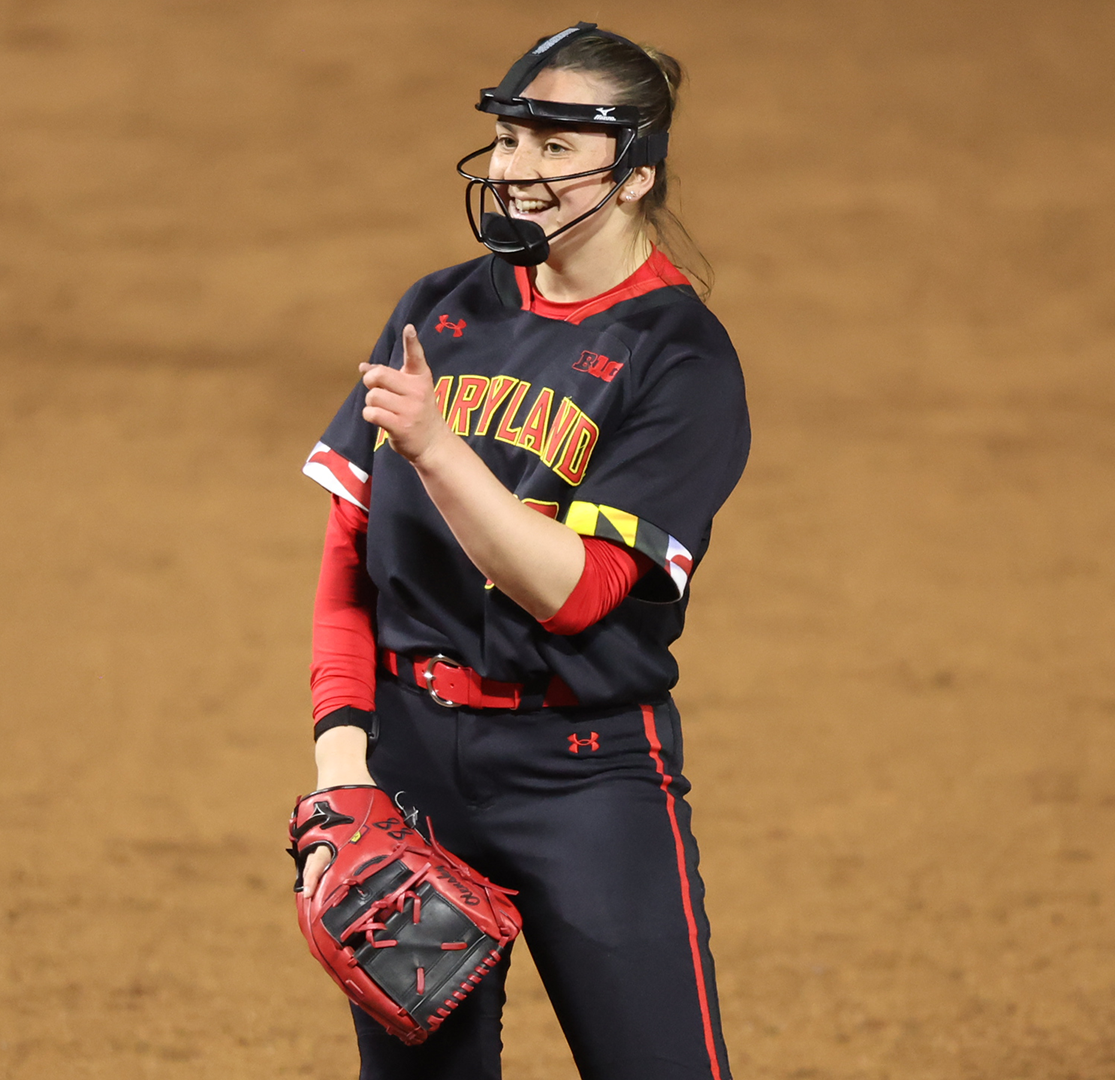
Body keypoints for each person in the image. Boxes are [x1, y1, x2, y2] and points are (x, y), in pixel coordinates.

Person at [295, 22, 750, 1080]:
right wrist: (344, 771)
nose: (516, 170)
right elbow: (346, 563)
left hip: (583, 780)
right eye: (509, 139)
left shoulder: (679, 359)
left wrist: (439, 449)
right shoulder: (440, 309)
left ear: (634, 175)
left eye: (555, 146)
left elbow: (574, 591)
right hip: (410, 773)